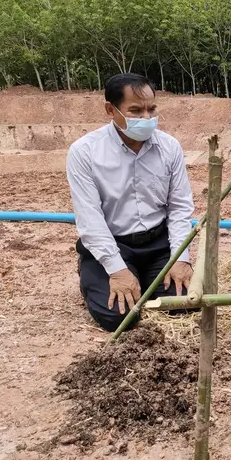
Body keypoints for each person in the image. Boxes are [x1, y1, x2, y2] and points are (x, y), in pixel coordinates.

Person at [66, 73, 195, 332]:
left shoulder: (169, 147)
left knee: (184, 304)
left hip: (158, 243)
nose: (146, 118)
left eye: (151, 109)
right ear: (110, 110)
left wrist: (180, 258)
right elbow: (90, 219)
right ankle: (91, 272)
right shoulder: (84, 152)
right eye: (135, 111)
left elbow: (180, 207)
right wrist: (116, 270)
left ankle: (146, 277)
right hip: (114, 243)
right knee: (118, 317)